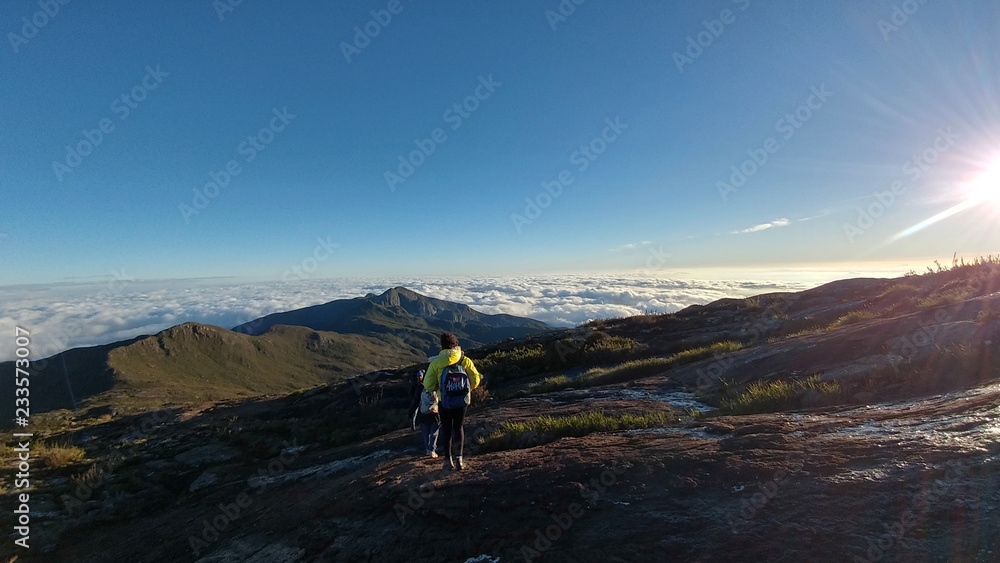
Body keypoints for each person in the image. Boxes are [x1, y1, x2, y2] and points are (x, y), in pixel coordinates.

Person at [423, 332, 482, 471]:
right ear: (456, 344)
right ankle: (459, 459)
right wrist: (467, 390)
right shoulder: (464, 359)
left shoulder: (436, 363)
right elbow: (476, 380)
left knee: (447, 429)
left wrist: (440, 389)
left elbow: (428, 385)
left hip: (444, 401)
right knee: (459, 427)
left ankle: (447, 460)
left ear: (442, 346)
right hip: (462, 401)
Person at [407, 370, 439, 458]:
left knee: (426, 432)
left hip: (423, 413)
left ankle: (428, 450)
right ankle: (433, 450)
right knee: (434, 432)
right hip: (435, 413)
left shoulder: (421, 386)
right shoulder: (437, 384)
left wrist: (411, 412)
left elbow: (415, 400)